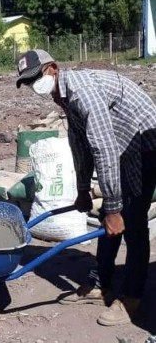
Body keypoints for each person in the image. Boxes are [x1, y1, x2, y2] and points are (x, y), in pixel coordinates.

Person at [15, 49, 156, 326]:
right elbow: (80, 146)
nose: (34, 86)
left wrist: (115, 208)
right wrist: (82, 189)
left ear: (53, 68)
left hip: (145, 145)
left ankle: (132, 298)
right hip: (122, 146)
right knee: (109, 215)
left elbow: (103, 148)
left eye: (36, 77)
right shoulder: (65, 97)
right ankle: (101, 281)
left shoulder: (82, 91)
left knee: (132, 219)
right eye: (28, 82)